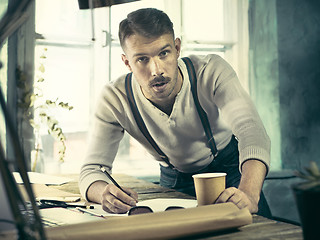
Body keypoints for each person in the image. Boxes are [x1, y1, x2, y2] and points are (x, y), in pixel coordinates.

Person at [79, 8, 272, 218]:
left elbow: (251, 131)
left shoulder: (211, 70)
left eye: (164, 53)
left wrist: (249, 194)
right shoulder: (115, 98)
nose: (157, 70)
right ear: (127, 62)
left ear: (177, 48)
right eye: (142, 59)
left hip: (232, 172)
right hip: (174, 182)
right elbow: (92, 170)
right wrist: (103, 193)